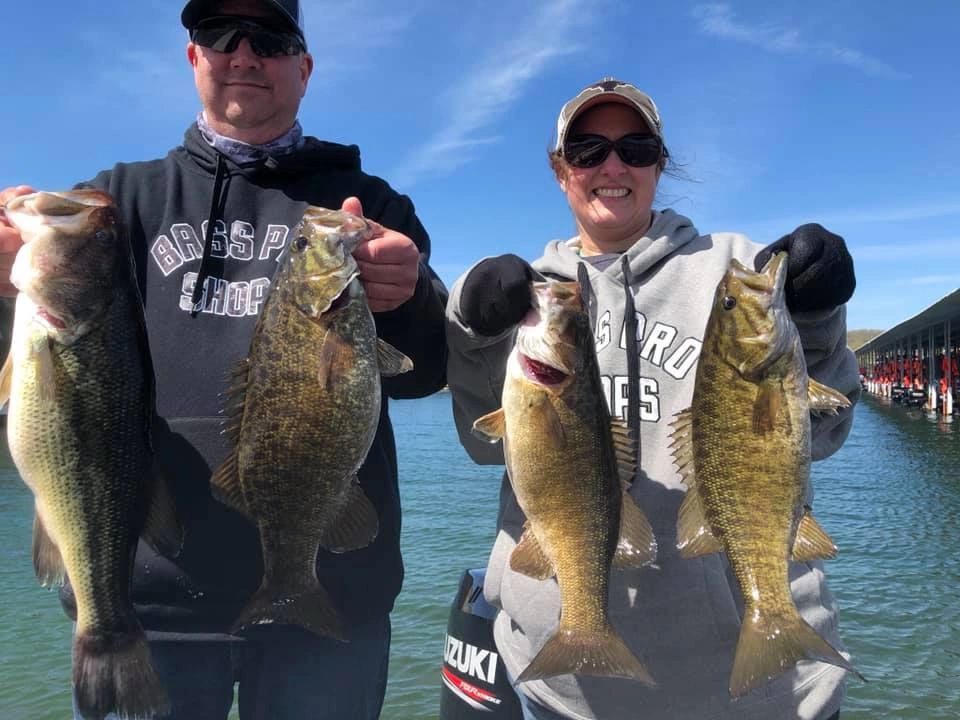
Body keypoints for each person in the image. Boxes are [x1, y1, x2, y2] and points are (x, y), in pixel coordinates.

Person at [0, 1, 448, 718]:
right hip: (151, 601)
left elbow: (427, 372)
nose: (243, 54)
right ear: (192, 58)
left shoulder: (371, 206)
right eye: (219, 35)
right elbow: (47, 372)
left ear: (303, 68)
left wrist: (413, 295)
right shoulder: (112, 202)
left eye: (269, 39)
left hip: (333, 598)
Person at [445, 77, 859, 720]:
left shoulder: (737, 269)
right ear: (561, 170)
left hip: (764, 694)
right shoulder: (526, 300)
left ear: (659, 164)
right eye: (587, 150)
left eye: (635, 148)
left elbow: (825, 434)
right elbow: (480, 441)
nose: (612, 166)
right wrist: (473, 334)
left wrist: (816, 316)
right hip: (566, 692)